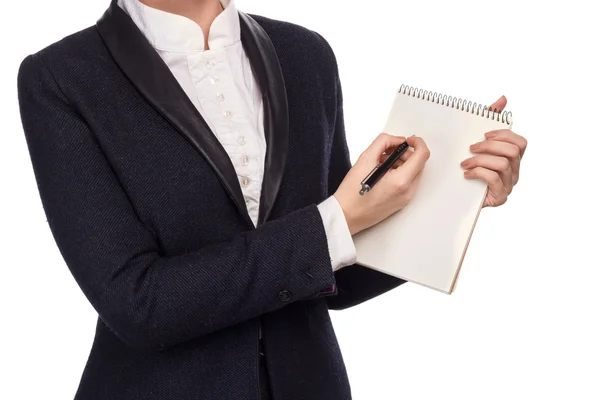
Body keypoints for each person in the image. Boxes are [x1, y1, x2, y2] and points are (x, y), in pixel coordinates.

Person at [16, 0, 527, 399]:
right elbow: (138, 304)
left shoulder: (305, 55)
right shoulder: (61, 78)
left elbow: (331, 275)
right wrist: (336, 220)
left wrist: (455, 194)